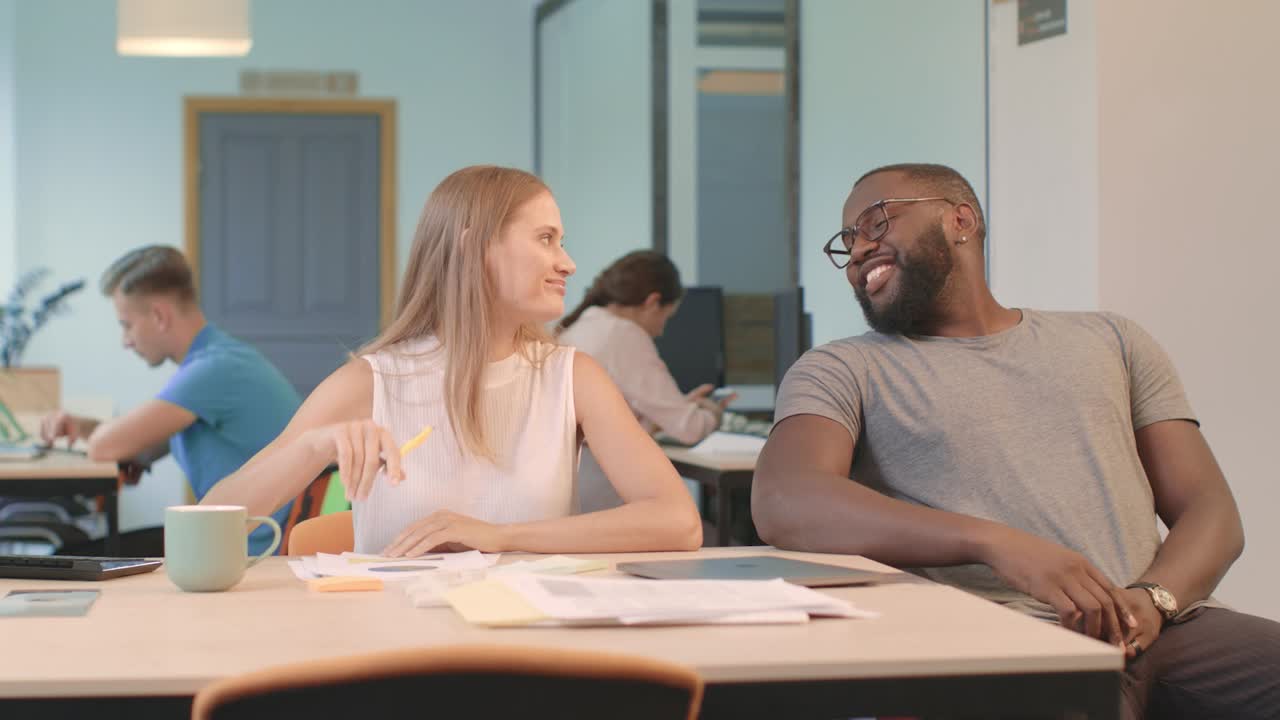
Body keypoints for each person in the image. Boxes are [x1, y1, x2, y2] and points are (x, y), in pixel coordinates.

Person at [752, 163, 1279, 718]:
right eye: (847, 243)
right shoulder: (843, 368)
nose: (858, 252)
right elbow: (786, 499)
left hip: (1169, 626)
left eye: (876, 223)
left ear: (961, 220)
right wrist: (998, 543)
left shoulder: (1112, 341)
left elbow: (1211, 511)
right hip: (1002, 634)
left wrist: (1153, 600)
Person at [203, 165, 702, 557]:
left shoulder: (574, 377)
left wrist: (500, 536)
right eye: (546, 238)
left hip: (525, 647)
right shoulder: (371, 381)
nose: (568, 263)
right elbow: (208, 525)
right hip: (394, 651)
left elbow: (678, 522)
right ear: (473, 247)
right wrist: (312, 447)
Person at [40, 246, 301, 556]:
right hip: (232, 536)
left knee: (69, 559)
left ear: (160, 316)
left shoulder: (213, 369)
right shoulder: (222, 357)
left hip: (244, 548)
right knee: (83, 552)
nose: (125, 341)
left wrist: (97, 435)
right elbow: (141, 446)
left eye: (127, 325)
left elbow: (104, 446)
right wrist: (80, 425)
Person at [558, 250, 733, 512]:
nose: (662, 329)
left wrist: (673, 408)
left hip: (576, 489)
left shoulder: (581, 327)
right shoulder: (622, 334)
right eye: (667, 316)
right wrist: (712, 411)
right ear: (653, 302)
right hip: (602, 498)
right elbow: (690, 428)